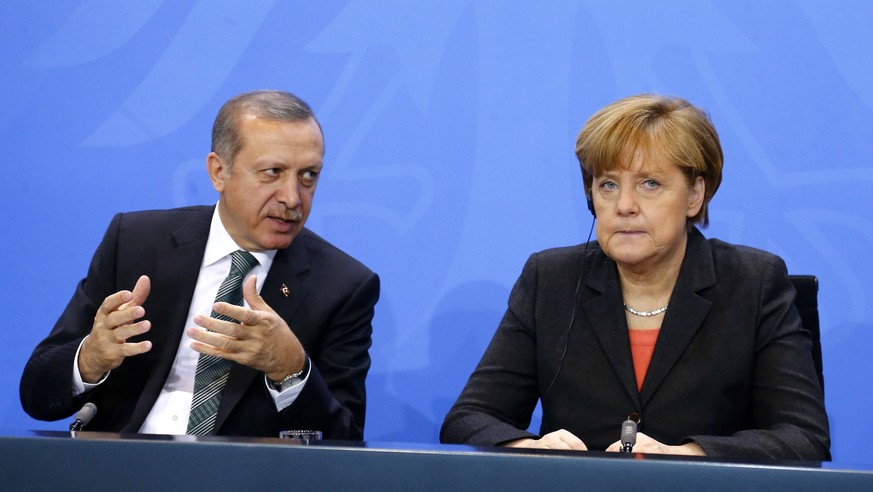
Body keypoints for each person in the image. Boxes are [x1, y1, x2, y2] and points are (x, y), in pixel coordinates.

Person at [440, 94, 830, 460]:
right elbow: (468, 419)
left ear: (695, 196)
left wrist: (687, 457)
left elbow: (803, 436)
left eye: (650, 184)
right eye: (608, 185)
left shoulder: (753, 283)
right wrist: (528, 447)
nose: (624, 206)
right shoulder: (551, 280)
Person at [20, 90, 379, 440]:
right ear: (218, 172)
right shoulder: (135, 243)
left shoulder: (342, 286)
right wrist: (91, 359)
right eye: (273, 172)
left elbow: (343, 440)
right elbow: (37, 396)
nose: (292, 197)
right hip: (122, 468)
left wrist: (292, 371)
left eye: (309, 176)